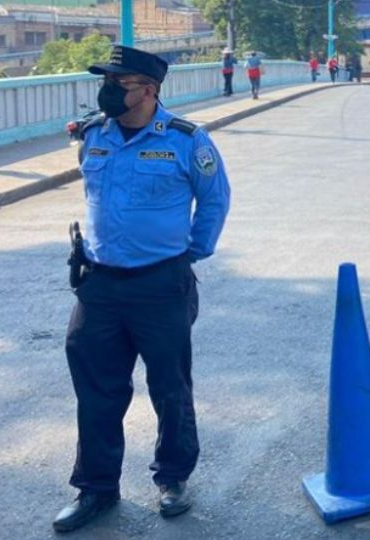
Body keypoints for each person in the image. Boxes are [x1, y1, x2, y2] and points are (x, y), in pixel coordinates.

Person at [52, 45, 230, 533]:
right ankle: (96, 488)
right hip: (100, 284)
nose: (108, 90)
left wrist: (188, 253)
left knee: (170, 387)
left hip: (161, 284)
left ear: (149, 90)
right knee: (96, 391)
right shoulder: (94, 135)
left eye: (120, 82)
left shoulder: (186, 140)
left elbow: (214, 200)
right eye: (107, 81)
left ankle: (172, 478)